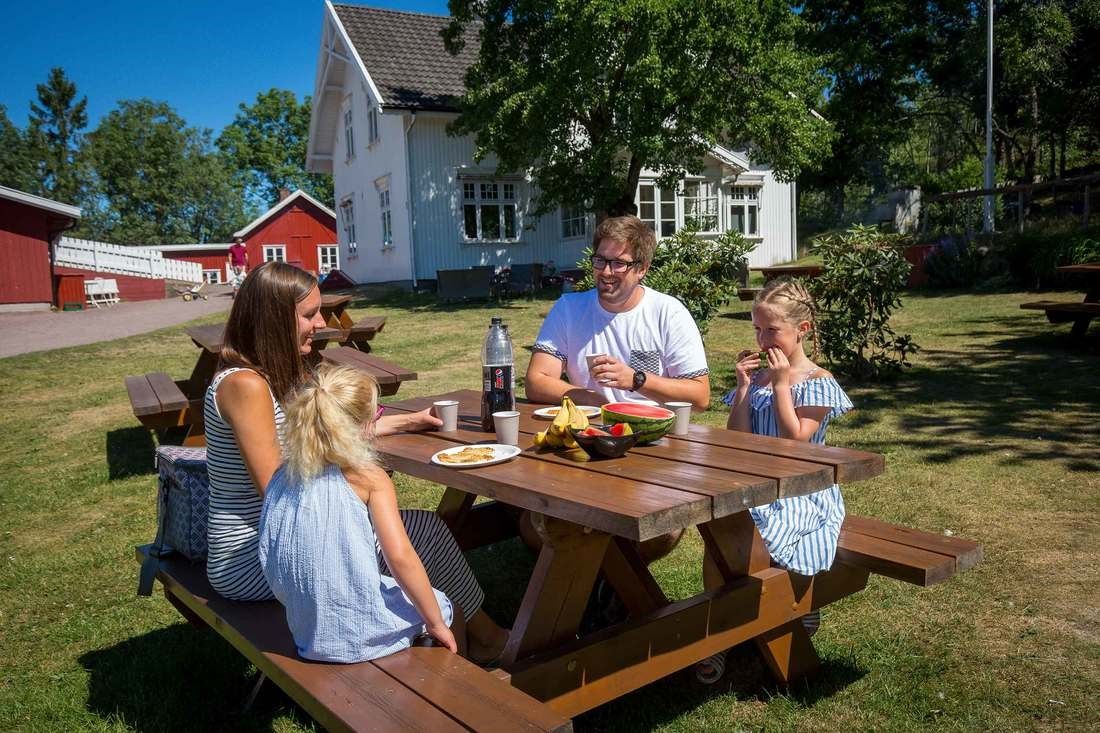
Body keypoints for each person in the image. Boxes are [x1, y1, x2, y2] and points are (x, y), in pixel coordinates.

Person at [204, 261, 507, 662]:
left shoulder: (265, 374)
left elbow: (312, 441)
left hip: (283, 541)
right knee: (424, 533)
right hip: (253, 556)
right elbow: (280, 490)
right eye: (309, 314)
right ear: (275, 318)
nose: (320, 323)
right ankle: (482, 638)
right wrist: (360, 480)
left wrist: (406, 422)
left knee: (417, 533)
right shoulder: (246, 385)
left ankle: (461, 629)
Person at [259, 364, 491, 662]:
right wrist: (435, 623)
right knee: (449, 610)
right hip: (358, 636)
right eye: (376, 416)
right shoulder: (367, 477)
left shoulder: (284, 475)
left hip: (307, 629)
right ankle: (456, 685)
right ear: (363, 426)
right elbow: (400, 557)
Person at [695, 277, 854, 684]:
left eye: (772, 330)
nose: (763, 339)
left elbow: (796, 440)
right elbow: (737, 438)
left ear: (801, 330)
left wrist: (783, 386)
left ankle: (792, 603)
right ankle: (720, 635)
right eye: (757, 329)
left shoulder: (817, 381)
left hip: (801, 491)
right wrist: (746, 389)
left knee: (745, 534)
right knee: (720, 534)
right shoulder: (763, 378)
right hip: (758, 485)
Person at [525, 215, 710, 410]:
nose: (606, 272)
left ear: (642, 269)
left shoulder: (669, 313)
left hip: (653, 434)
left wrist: (636, 380)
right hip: (588, 431)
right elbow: (536, 381)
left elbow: (700, 397)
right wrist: (588, 399)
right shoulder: (569, 309)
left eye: (618, 263)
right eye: (600, 260)